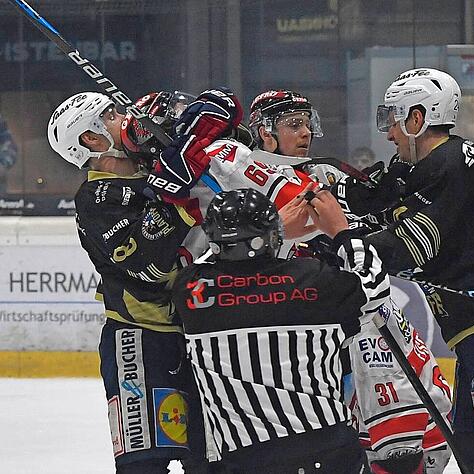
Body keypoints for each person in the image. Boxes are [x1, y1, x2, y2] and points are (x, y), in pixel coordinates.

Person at [334, 67, 474, 473]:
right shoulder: (431, 165)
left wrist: (343, 242)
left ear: (417, 118)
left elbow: (410, 246)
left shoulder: (450, 165)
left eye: (393, 118)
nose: (388, 132)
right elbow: (370, 196)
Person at [248, 89, 452, 473]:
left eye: (308, 123)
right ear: (264, 133)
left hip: (356, 318)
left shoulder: (323, 173)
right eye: (293, 124)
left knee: (426, 411)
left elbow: (376, 211)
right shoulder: (247, 188)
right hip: (298, 337)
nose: (306, 132)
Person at [47, 91, 211, 473]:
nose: (123, 117)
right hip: (140, 341)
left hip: (203, 335)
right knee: (145, 466)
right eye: (110, 115)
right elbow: (143, 262)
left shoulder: (154, 163)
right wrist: (174, 198)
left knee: (210, 460)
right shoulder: (95, 197)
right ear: (91, 139)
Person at [171, 188, 389, 473]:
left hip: (246, 459)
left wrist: (272, 230)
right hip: (328, 448)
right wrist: (342, 232)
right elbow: (374, 285)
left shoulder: (192, 291)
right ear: (271, 238)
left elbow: (210, 262)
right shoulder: (314, 279)